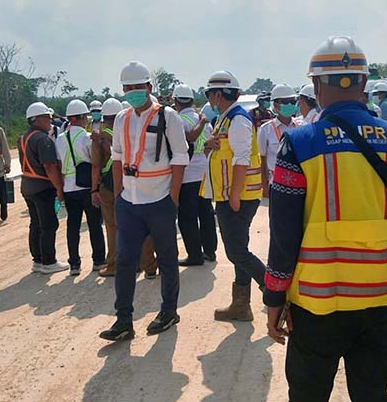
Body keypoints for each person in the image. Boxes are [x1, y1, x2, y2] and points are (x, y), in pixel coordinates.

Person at [264, 36, 387, 402]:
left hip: (318, 300)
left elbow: (284, 234)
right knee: (372, 397)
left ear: (317, 87)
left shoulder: (298, 143)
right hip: (380, 294)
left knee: (307, 400)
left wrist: (274, 298)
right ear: (364, 83)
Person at [98, 61, 189, 342]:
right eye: (129, 88)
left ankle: (169, 311)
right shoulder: (123, 119)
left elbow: (180, 157)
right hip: (129, 201)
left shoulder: (168, 117)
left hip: (159, 200)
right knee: (125, 261)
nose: (134, 92)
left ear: (150, 88)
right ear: (123, 90)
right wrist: (118, 194)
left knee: (167, 259)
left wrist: (172, 198)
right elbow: (116, 158)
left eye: (139, 87)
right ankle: (124, 320)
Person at [201, 70, 266, 322]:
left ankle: (273, 292)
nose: (209, 100)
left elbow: (241, 159)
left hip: (236, 195)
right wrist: (209, 146)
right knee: (240, 248)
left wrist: (235, 195)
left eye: (209, 95)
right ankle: (241, 305)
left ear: (218, 95)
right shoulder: (225, 119)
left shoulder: (238, 120)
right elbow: (219, 151)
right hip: (229, 194)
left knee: (236, 252)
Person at [90, 98, 158, 278]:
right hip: (131, 184)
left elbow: (96, 166)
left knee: (113, 228)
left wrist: (93, 190)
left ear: (103, 117)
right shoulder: (129, 131)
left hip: (108, 188)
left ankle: (114, 264)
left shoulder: (99, 137)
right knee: (139, 227)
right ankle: (145, 264)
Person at [57, 99, 105, 276]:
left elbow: (60, 165)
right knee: (94, 225)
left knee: (72, 226)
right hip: (86, 187)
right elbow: (94, 164)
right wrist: (95, 190)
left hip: (69, 189)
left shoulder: (60, 139)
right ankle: (99, 261)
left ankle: (74, 265)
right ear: (79, 118)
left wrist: (60, 190)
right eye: (85, 116)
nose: (87, 119)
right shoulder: (85, 137)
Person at [19, 102, 67, 274]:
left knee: (36, 224)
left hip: (28, 186)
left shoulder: (24, 137)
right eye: (47, 118)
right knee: (48, 224)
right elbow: (49, 166)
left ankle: (38, 260)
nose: (50, 123)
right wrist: (59, 188)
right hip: (42, 187)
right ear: (37, 119)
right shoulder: (42, 139)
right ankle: (48, 261)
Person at [172, 83, 216, 266]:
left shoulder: (179, 120)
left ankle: (195, 255)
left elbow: (189, 138)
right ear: (191, 100)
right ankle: (210, 251)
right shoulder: (202, 119)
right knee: (205, 213)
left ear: (176, 101)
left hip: (187, 175)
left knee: (187, 217)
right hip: (204, 173)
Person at [258, 84, 300, 197]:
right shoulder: (265, 130)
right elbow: (262, 159)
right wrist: (264, 185)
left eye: (292, 101)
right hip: (276, 182)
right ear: (275, 104)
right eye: (285, 102)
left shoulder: (301, 126)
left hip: (299, 181)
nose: (290, 105)